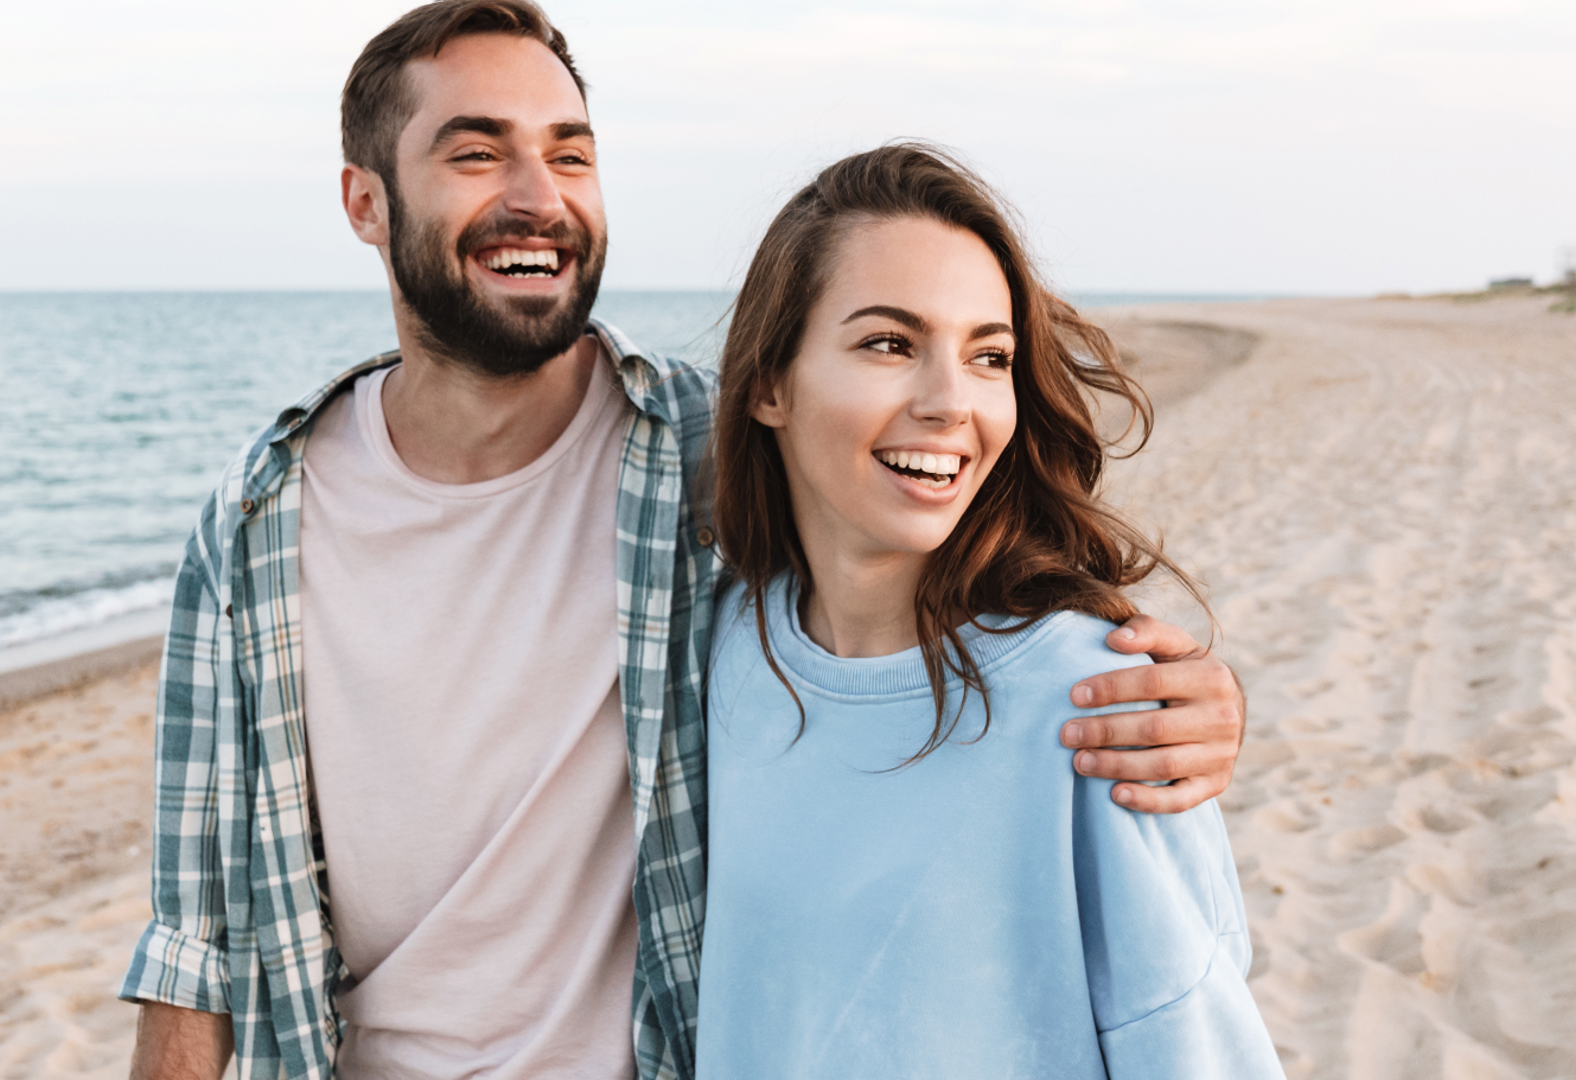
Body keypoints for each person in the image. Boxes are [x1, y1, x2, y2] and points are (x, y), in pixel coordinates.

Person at [119, 3, 1250, 1078]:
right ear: (365, 202)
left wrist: (1188, 693)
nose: (539, 197)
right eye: (477, 153)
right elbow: (197, 933)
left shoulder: (705, 455)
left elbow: (927, 550)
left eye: (570, 154)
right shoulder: (261, 519)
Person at [696, 143, 1280, 1078]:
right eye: (890, 344)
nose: (950, 403)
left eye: (989, 356)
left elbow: (1194, 1049)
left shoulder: (1099, 705)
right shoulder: (718, 643)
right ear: (769, 384)